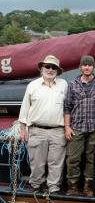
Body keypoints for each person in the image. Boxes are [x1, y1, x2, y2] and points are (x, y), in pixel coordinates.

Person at [18, 55, 67, 194]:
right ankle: (36, 187)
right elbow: (25, 108)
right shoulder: (32, 85)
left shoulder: (64, 85)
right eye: (48, 66)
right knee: (37, 163)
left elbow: (68, 107)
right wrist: (23, 129)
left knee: (56, 163)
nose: (50, 69)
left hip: (58, 130)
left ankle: (54, 188)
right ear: (42, 68)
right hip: (37, 130)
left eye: (54, 67)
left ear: (57, 70)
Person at [64, 55, 95, 197]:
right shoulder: (72, 84)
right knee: (73, 158)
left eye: (89, 65)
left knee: (92, 158)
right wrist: (67, 126)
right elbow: (67, 107)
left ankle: (88, 187)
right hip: (76, 126)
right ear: (80, 67)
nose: (87, 67)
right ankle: (72, 187)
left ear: (93, 67)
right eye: (84, 65)